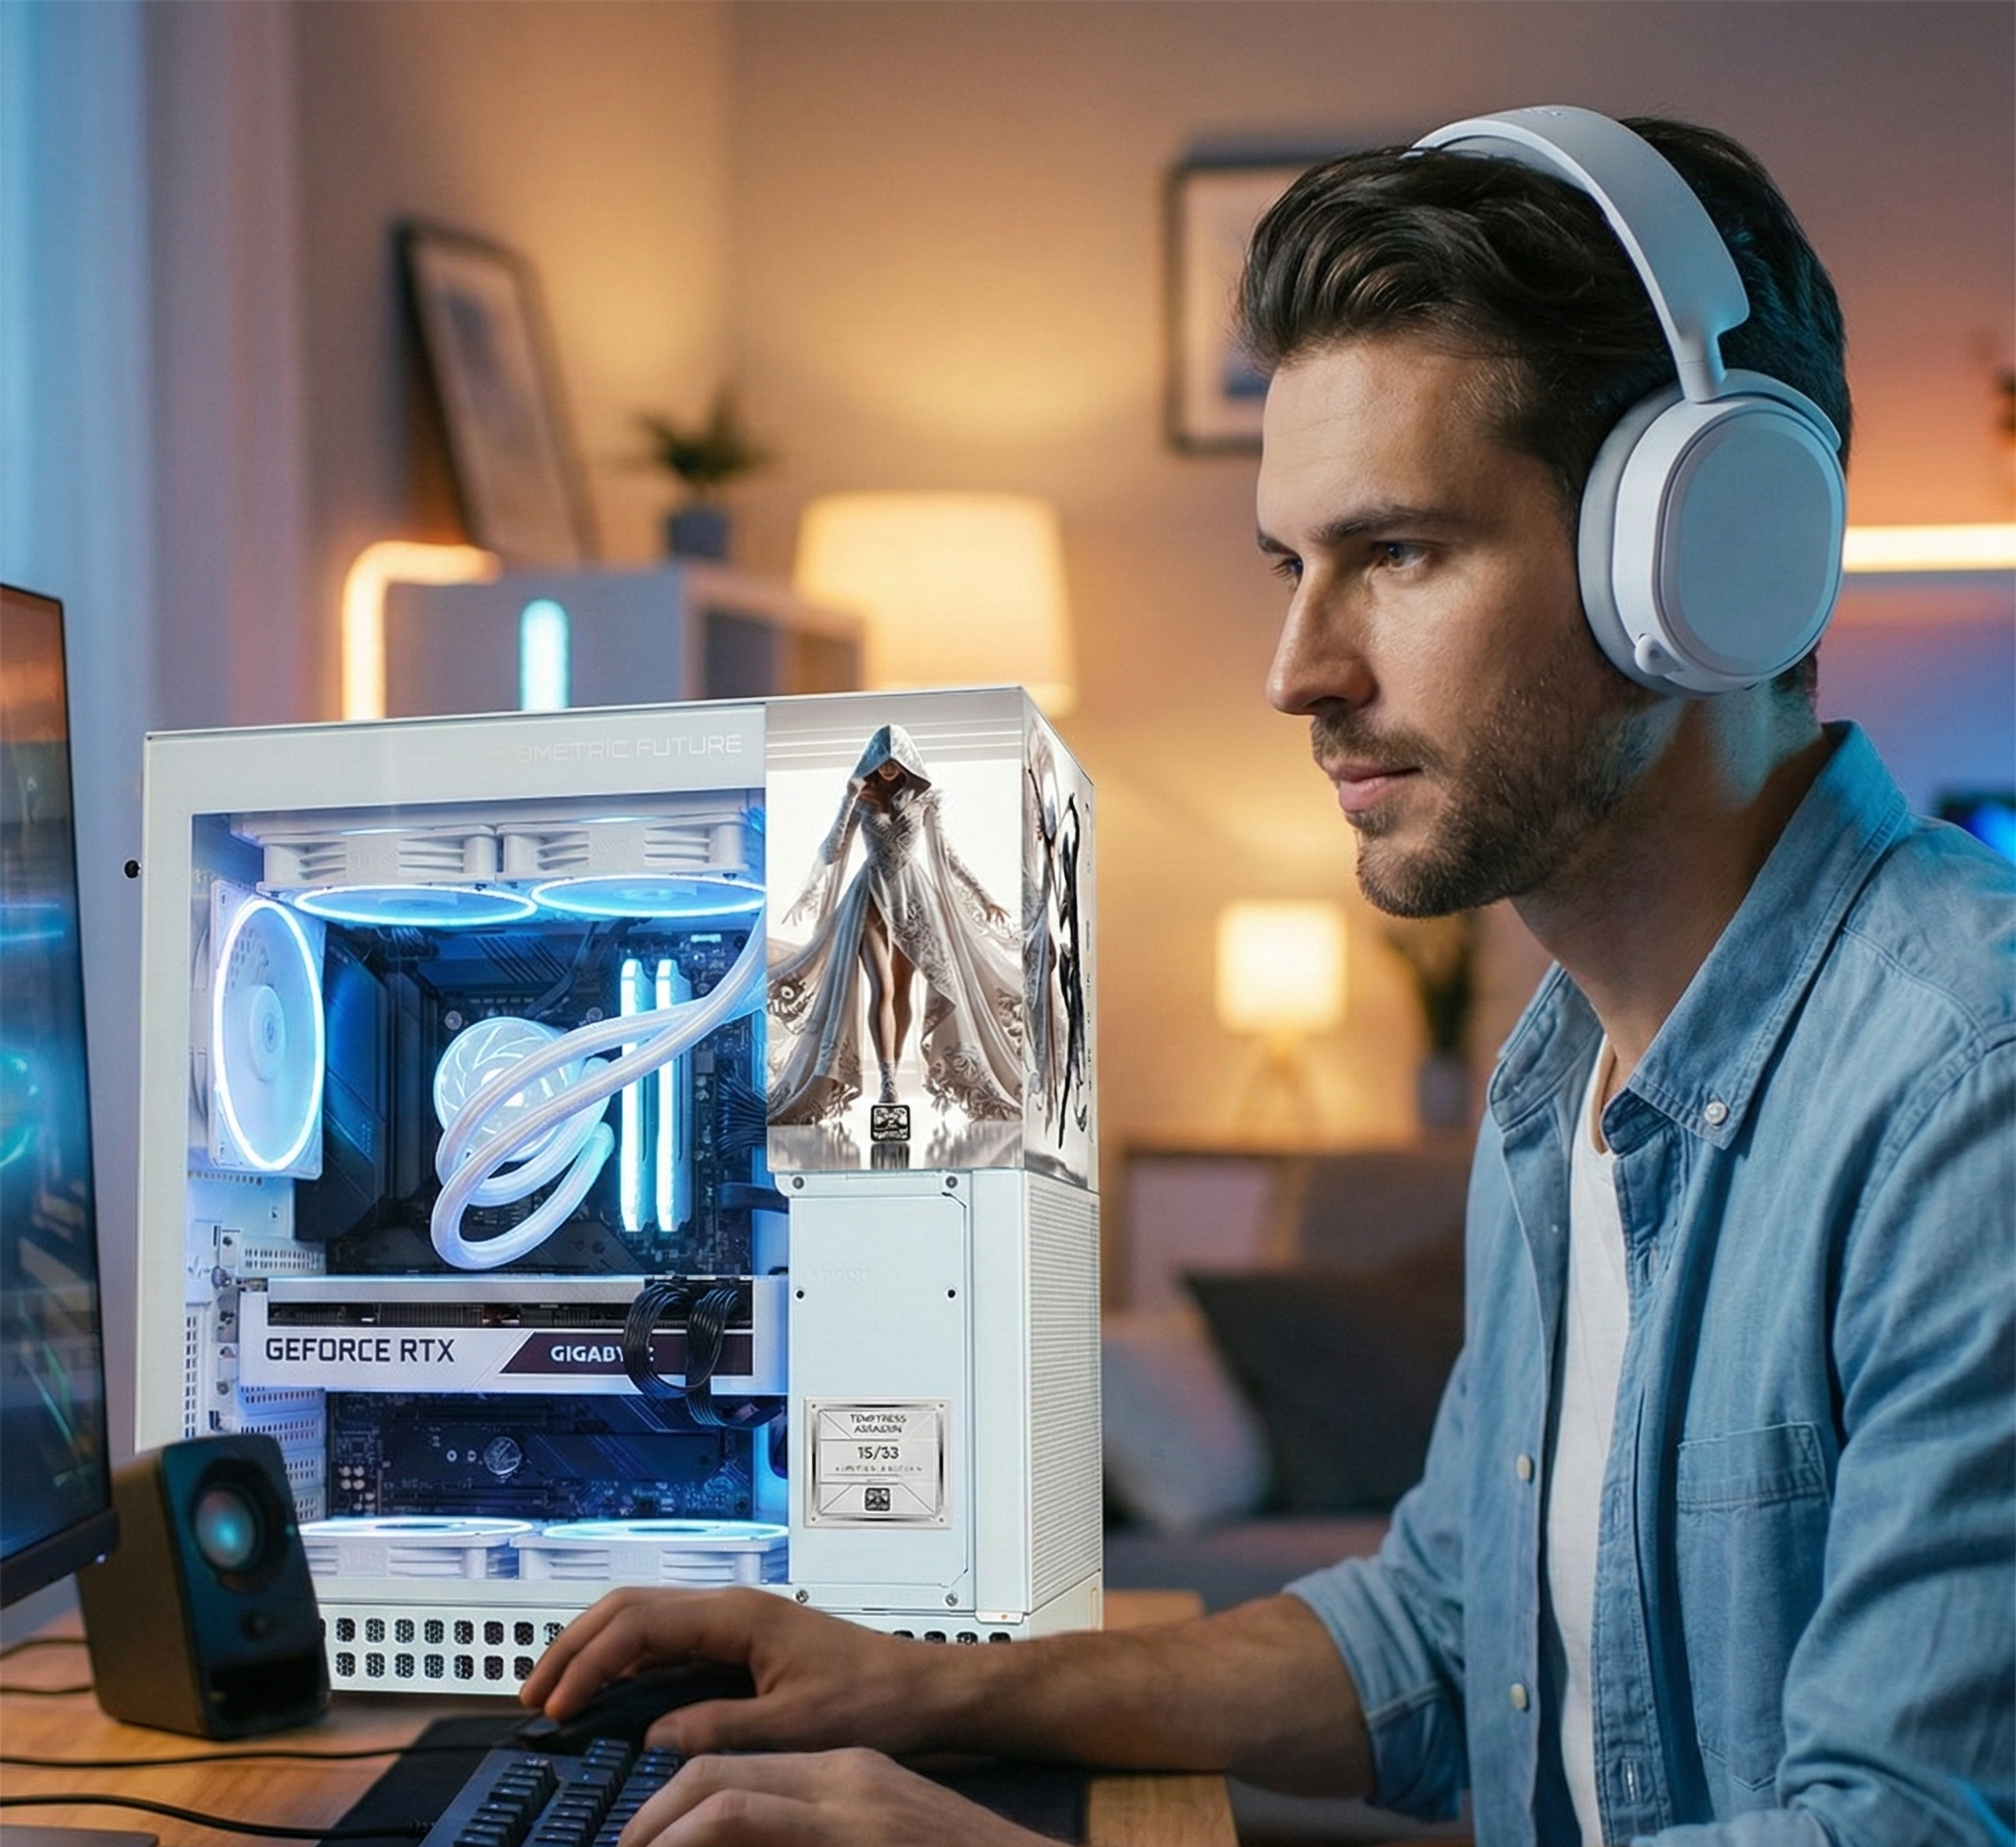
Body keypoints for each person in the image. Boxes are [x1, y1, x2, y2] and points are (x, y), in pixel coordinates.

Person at [524, 110, 2015, 1846]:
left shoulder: (1960, 1093)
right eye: (1287, 566)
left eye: (1395, 553)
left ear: (1694, 564)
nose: (1296, 671)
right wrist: (918, 1682)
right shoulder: (1565, 1082)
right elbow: (1444, 1638)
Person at [767, 722, 1023, 1124]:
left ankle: (894, 1069)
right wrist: (847, 801)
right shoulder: (862, 797)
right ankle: (886, 1081)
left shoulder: (925, 799)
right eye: (881, 759)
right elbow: (833, 849)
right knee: (882, 987)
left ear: (905, 760)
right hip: (869, 896)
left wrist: (983, 895)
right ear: (873, 759)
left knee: (904, 989)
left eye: (894, 759)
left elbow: (947, 855)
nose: (887, 767)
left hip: (914, 898)